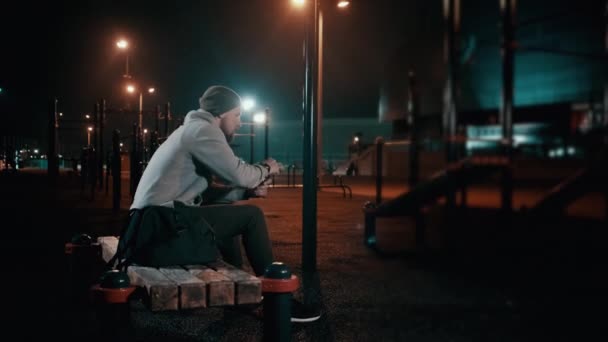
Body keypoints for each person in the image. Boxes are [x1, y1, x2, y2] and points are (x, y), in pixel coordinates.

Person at [130, 85, 320, 322]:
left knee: (232, 214)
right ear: (221, 113)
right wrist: (267, 168)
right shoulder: (203, 131)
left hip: (151, 226)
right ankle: (277, 298)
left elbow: (203, 194)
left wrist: (244, 194)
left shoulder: (190, 130)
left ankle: (237, 292)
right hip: (159, 228)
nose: (240, 122)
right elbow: (240, 174)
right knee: (252, 217)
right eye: (237, 114)